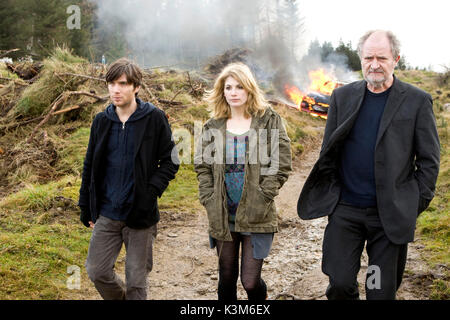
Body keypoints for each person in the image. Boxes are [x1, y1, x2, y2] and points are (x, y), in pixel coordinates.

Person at [297, 30, 440, 300]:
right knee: (339, 284)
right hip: (346, 212)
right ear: (361, 59)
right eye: (368, 57)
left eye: (381, 58)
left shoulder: (417, 101)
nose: (374, 64)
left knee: (378, 292)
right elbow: (328, 152)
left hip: (388, 218)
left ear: (396, 59)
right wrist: (334, 198)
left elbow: (429, 161)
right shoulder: (342, 97)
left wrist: (412, 203)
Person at [78, 58, 179, 300]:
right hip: (107, 212)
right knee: (97, 271)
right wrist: (85, 204)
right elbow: (90, 164)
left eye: (122, 84)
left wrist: (150, 192)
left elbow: (171, 160)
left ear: (136, 87)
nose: (115, 89)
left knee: (136, 281)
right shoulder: (102, 121)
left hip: (140, 216)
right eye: (111, 83)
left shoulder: (154, 118)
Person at [194, 62, 292, 300]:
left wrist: (264, 195)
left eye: (239, 87)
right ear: (222, 91)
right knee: (226, 278)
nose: (234, 92)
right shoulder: (213, 126)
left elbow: (281, 163)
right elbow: (203, 166)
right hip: (223, 215)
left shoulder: (269, 120)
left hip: (257, 214)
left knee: (249, 282)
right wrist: (208, 197)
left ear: (249, 89)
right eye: (228, 87)